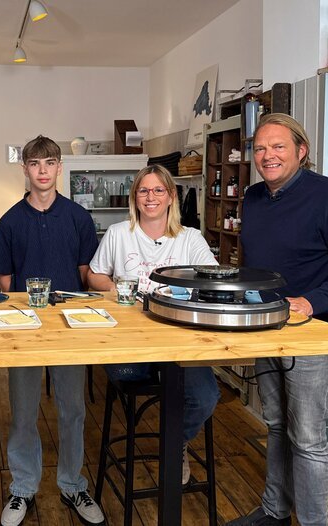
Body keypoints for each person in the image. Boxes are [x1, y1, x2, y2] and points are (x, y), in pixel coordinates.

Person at [228, 114, 328, 526]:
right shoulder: (254, 197)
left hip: (314, 335)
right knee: (276, 424)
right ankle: (275, 511)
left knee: (308, 438)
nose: (268, 155)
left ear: (301, 150)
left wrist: (312, 302)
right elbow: (255, 264)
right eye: (260, 148)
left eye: (278, 146)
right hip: (266, 329)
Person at [0, 135, 105, 526]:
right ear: (25, 168)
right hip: (24, 328)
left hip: (69, 328)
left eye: (49, 163)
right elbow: (5, 282)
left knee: (73, 411)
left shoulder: (78, 217)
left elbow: (87, 275)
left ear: (59, 167)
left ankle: (73, 484)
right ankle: (23, 488)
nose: (42, 170)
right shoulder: (10, 221)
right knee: (23, 413)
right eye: (35, 163)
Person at [87, 164, 220, 485]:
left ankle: (175, 442)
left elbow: (213, 278)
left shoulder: (190, 238)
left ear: (171, 196)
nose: (151, 197)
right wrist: (117, 289)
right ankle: (167, 389)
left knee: (205, 396)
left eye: (159, 190)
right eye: (144, 191)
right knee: (126, 373)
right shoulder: (119, 233)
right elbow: (94, 275)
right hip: (131, 339)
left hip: (179, 339)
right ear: (134, 197)